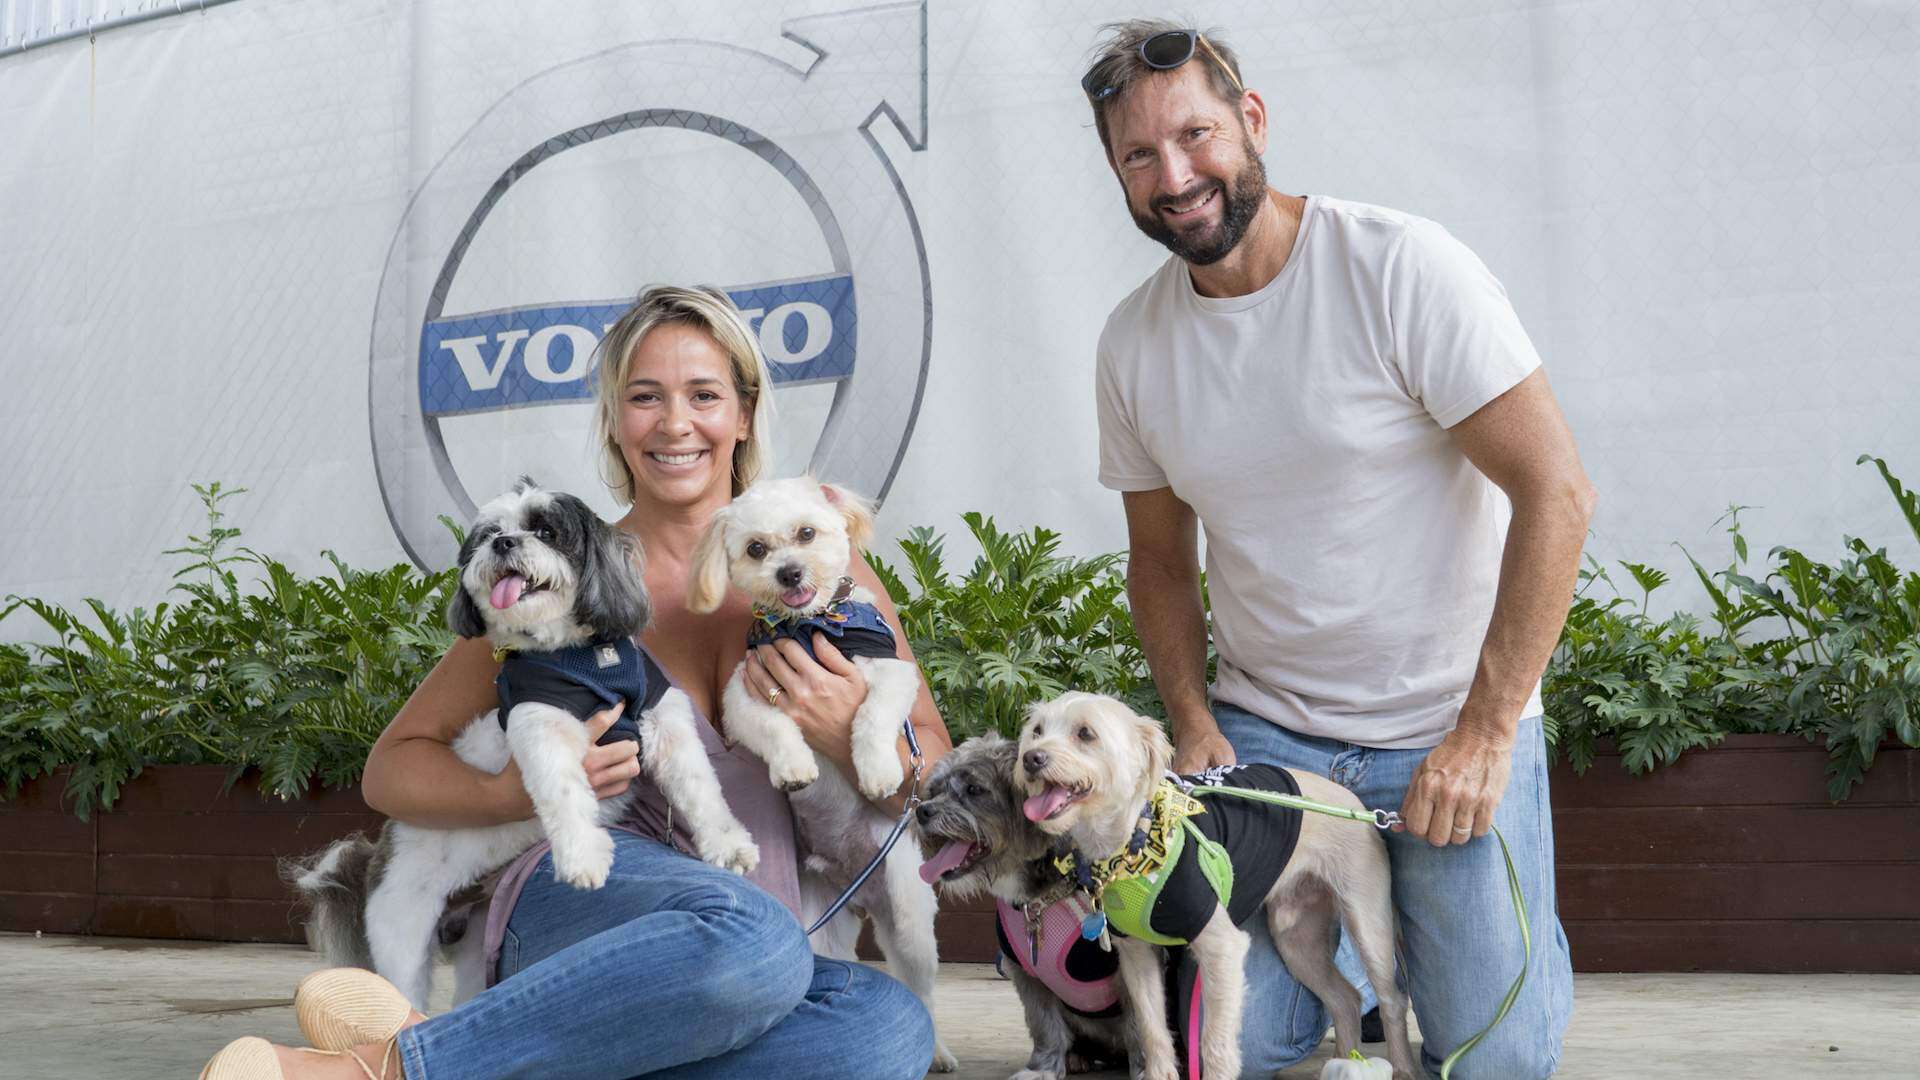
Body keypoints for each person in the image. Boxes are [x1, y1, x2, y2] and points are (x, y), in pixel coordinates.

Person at [200, 285, 948, 1079]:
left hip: (735, 970)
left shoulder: (826, 572)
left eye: (703, 395)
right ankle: (373, 1074)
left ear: (744, 412)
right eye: (645, 397)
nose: (675, 423)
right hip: (586, 907)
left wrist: (846, 731)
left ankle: (476, 1052)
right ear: (614, 420)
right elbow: (391, 770)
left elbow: (936, 769)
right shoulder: (566, 574)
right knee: (754, 936)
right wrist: (514, 792)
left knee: (889, 1025)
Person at [1082, 19, 1590, 1079]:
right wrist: (1191, 720)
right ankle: (1362, 937)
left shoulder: (1402, 267)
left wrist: (1485, 733)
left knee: (1492, 1059)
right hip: (1271, 743)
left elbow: (1556, 494)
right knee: (1240, 1043)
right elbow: (1161, 561)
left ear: (1253, 120)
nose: (1175, 177)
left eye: (1196, 135)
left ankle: (1454, 927)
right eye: (1139, 155)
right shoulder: (1132, 341)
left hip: (1440, 727)